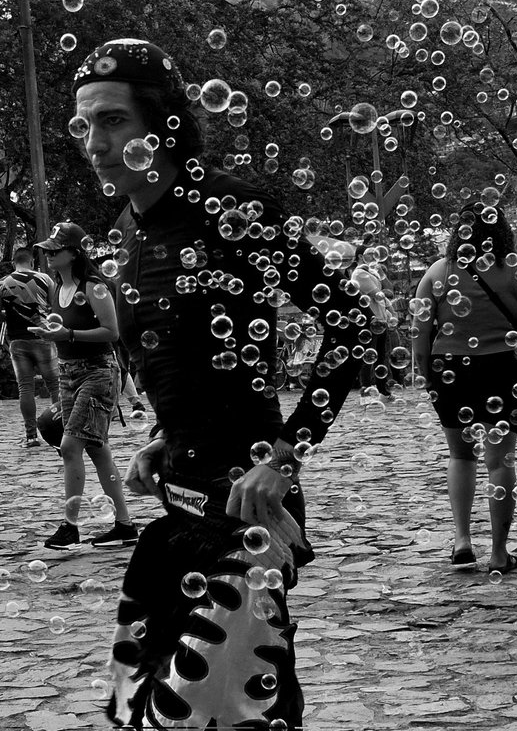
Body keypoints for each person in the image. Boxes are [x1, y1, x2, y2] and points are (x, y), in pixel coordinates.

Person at [69, 39, 363, 729]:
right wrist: (157, 438)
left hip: (248, 504)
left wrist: (283, 456)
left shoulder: (232, 207)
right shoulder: (128, 228)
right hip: (179, 506)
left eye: (112, 121)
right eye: (84, 125)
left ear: (162, 122)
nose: (94, 142)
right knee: (181, 710)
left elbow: (349, 325)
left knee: (213, 710)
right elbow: (178, 356)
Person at [412, 203, 517, 575]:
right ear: (503, 232)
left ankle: (462, 541)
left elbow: (420, 339)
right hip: (506, 366)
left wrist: (427, 377)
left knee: (460, 455)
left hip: (450, 367)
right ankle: (500, 553)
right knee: (500, 459)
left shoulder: (437, 272)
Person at [29, 223, 137, 549]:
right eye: (46, 249)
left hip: (98, 373)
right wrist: (50, 334)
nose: (48, 254)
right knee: (97, 449)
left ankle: (70, 526)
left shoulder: (94, 286)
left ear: (73, 252)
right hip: (68, 373)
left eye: (54, 250)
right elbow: (62, 329)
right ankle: (124, 524)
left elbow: (112, 332)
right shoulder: (54, 288)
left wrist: (69, 336)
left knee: (69, 447)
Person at [0, 247, 61, 447]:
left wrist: (10, 316)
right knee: (54, 385)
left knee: (25, 387)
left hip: (18, 341)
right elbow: (57, 308)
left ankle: (31, 436)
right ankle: (61, 430)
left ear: (13, 263)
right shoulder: (45, 279)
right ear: (31, 262)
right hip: (44, 337)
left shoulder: (2, 283)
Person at [352, 251, 399, 398]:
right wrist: (390, 308)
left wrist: (381, 274)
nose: (374, 257)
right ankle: (366, 389)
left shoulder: (372, 273)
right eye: (370, 254)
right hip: (370, 320)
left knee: (382, 356)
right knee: (368, 357)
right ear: (360, 256)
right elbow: (378, 293)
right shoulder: (359, 274)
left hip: (381, 320)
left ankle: (382, 389)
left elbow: (388, 289)